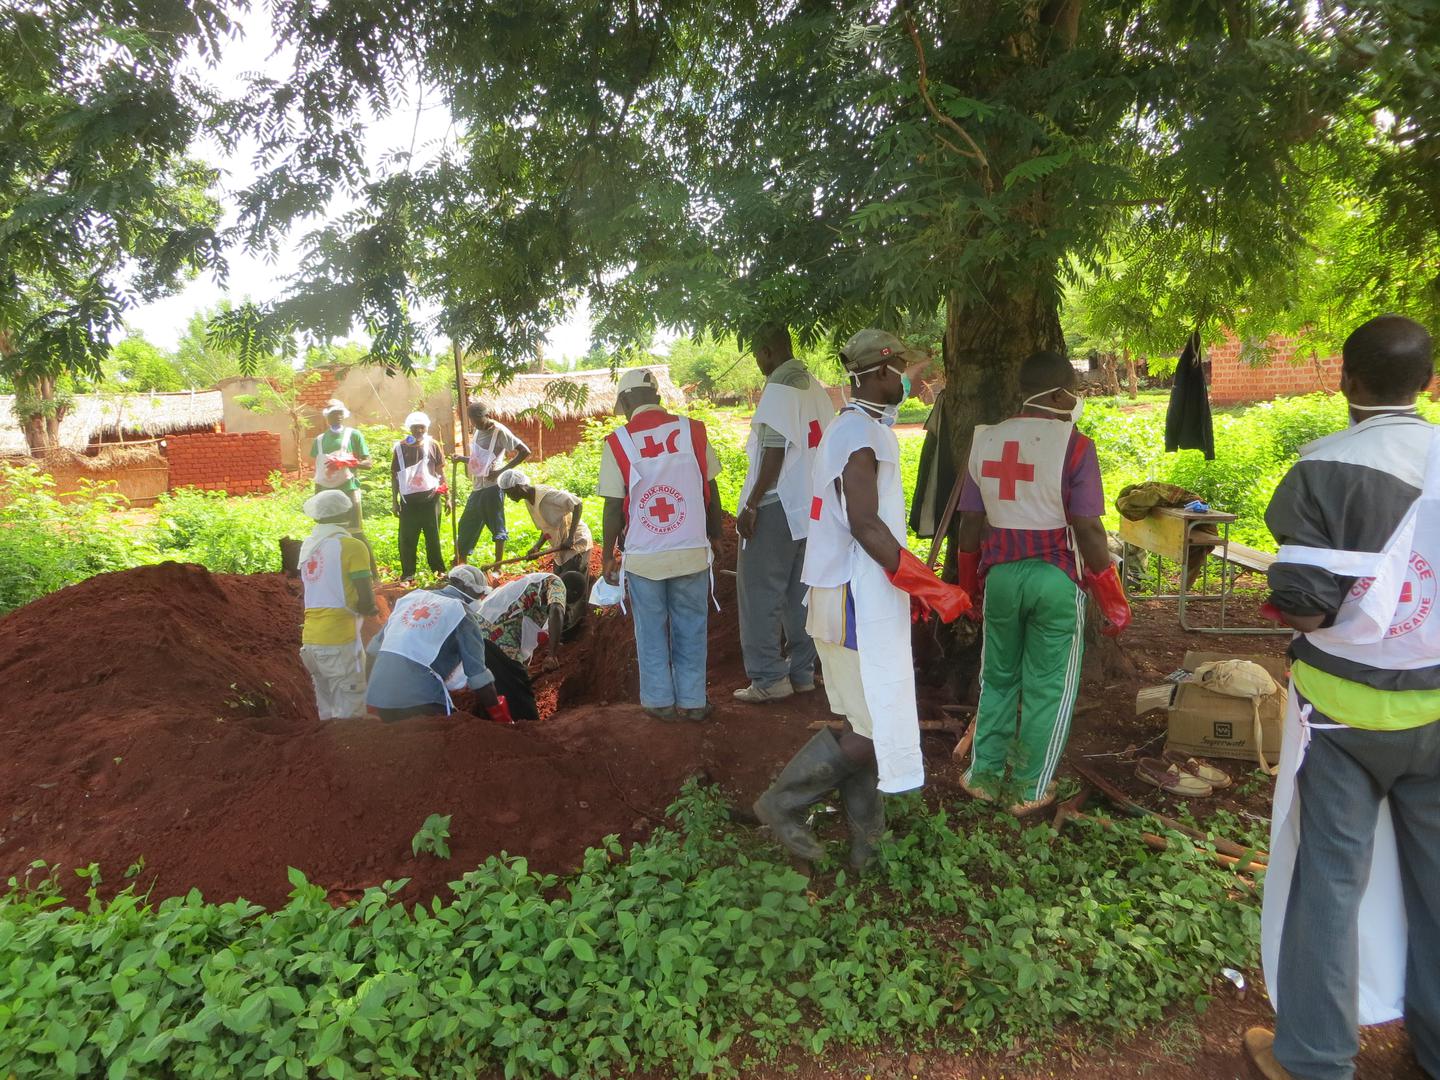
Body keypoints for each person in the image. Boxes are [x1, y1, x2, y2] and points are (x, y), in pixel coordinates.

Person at [1245, 314, 1440, 1080]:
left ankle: (1316, 1058)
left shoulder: (1324, 467)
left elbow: (1305, 607)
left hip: (1342, 714)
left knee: (1329, 873)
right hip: (1437, 705)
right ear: (1426, 382)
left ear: (1347, 380)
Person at [753, 330, 971, 870]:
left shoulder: (858, 429)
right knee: (873, 728)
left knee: (867, 724)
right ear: (879, 373)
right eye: (905, 372)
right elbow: (865, 525)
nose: (910, 381)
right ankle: (781, 805)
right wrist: (930, 586)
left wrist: (911, 585)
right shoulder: (858, 435)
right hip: (854, 598)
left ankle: (866, 849)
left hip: (854, 591)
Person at [953, 350, 1130, 816]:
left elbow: (970, 525)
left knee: (997, 677)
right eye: (1072, 389)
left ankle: (983, 777)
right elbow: (1089, 528)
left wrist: (970, 588)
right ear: (1057, 394)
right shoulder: (1075, 445)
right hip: (1055, 580)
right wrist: (1111, 597)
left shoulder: (986, 442)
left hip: (1001, 580)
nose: (1076, 398)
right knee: (1050, 686)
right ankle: (1030, 789)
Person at [599, 368, 722, 721]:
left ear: (624, 401)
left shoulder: (618, 441)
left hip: (644, 557)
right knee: (691, 627)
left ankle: (659, 702)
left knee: (651, 630)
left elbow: (612, 504)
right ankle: (694, 702)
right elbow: (710, 490)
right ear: (656, 396)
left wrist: (608, 555)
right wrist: (715, 536)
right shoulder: (692, 430)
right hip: (691, 550)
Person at [733, 323, 836, 704]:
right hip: (810, 508)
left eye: (758, 354)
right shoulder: (815, 387)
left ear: (765, 350)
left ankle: (768, 679)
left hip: (776, 505)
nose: (759, 362)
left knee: (760, 593)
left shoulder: (778, 390)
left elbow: (774, 452)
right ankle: (803, 672)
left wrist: (752, 503)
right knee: (799, 593)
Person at [365, 569, 513, 725]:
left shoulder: (411, 599)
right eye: (481, 594)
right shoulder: (462, 614)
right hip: (421, 699)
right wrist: (499, 716)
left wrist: (372, 695)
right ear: (471, 590)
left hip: (381, 698)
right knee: (456, 738)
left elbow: (372, 651)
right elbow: (478, 676)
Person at [298, 489, 379, 720]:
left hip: (311, 640)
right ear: (349, 513)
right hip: (339, 640)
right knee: (351, 716)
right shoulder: (351, 546)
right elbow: (365, 599)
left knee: (328, 710)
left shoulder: (309, 547)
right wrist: (370, 609)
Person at [457, 402, 530, 566]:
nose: (476, 424)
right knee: (467, 523)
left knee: (497, 525)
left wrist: (500, 471)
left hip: (493, 487)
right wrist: (462, 459)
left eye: (478, 420)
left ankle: (498, 565)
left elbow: (525, 451)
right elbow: (479, 460)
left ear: (487, 416)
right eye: (473, 421)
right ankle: (461, 562)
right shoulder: (477, 431)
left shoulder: (499, 432)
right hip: (478, 486)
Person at [474, 569, 586, 671]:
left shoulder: (542, 581)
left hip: (484, 625)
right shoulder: (558, 584)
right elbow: (556, 610)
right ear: (573, 593)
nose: (567, 605)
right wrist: (552, 655)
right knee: (513, 676)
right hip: (498, 630)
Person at [496, 469, 593, 578]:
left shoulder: (547, 496)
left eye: (509, 493)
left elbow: (577, 504)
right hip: (561, 548)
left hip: (576, 544)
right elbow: (546, 527)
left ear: (518, 487)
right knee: (559, 584)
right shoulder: (529, 501)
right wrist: (537, 546)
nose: (509, 497)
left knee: (572, 585)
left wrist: (571, 538)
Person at [308, 399, 373, 550]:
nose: (337, 416)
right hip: (326, 494)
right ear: (327, 417)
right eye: (333, 414)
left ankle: (369, 570)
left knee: (355, 532)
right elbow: (318, 471)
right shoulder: (319, 440)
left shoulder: (353, 435)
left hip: (348, 490)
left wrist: (347, 462)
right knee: (328, 532)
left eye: (340, 413)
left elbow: (368, 464)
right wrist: (316, 498)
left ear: (344, 415)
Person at [391, 412, 447, 583]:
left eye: (422, 427)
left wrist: (448, 497)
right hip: (408, 502)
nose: (419, 430)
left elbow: (440, 471)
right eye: (415, 427)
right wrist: (394, 501)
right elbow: (394, 476)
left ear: (426, 428)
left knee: (433, 536)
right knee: (407, 538)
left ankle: (438, 570)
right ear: (410, 429)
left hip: (431, 499)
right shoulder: (401, 447)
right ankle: (408, 573)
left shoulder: (433, 445)